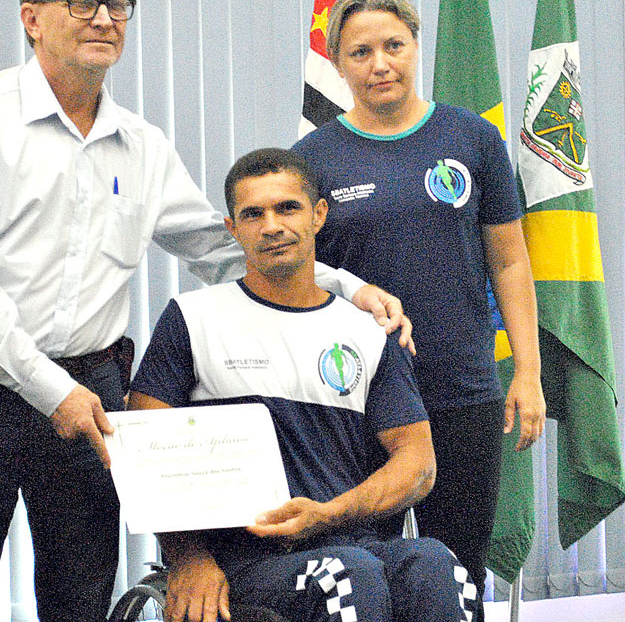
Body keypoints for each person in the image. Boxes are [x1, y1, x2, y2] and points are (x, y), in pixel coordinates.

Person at [0, 0, 410, 622]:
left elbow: (220, 246)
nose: (104, 19)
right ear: (31, 18)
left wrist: (346, 288)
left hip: (91, 396)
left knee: (81, 600)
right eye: (82, 2)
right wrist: (55, 392)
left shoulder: (139, 145)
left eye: (117, 4)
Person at [128, 148, 478, 622]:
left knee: (438, 565)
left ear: (318, 215)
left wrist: (330, 513)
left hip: (356, 541)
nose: (271, 225)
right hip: (244, 562)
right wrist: (188, 558)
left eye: (287, 208)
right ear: (233, 230)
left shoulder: (369, 331)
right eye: (253, 214)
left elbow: (418, 464)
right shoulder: (193, 319)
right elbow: (148, 461)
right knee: (346, 575)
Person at [291, 0, 547, 621]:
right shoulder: (311, 159)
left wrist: (528, 371)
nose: (380, 63)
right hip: (353, 400)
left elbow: (511, 260)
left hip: (460, 392)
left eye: (393, 46)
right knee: (361, 577)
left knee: (457, 577)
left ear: (415, 46)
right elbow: (295, 278)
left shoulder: (472, 140)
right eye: (361, 52)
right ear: (339, 64)